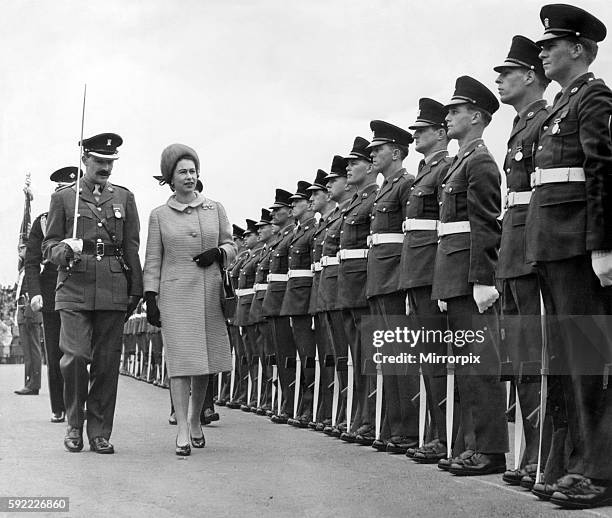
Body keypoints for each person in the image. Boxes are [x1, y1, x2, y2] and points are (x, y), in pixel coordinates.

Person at [525, 4, 612, 509]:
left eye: (549, 44)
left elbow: (602, 172)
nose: (542, 52)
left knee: (590, 362)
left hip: (579, 248)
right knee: (568, 364)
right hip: (552, 248)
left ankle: (596, 470)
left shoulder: (594, 97)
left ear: (576, 49)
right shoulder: (561, 105)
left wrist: (603, 245)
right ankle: (578, 461)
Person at [43, 132, 143, 454]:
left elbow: (131, 247)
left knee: (106, 362)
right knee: (74, 358)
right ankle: (74, 423)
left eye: (110, 162)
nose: (105, 168)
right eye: (99, 161)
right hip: (73, 286)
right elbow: (47, 246)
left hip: (113, 287)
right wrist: (63, 250)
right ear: (84, 160)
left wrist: (136, 289)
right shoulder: (64, 198)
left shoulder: (125, 198)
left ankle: (99, 430)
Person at [431, 76, 508, 475]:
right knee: (466, 366)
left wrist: (483, 279)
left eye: (455, 111)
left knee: (479, 365)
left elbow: (485, 223)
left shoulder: (480, 161)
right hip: (453, 272)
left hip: (469, 274)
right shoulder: (462, 160)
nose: (448, 117)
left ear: (476, 117)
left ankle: (491, 449)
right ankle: (474, 445)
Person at [144, 143, 237, 456]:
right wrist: (151, 297)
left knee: (205, 366)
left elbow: (231, 246)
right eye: (182, 171)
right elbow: (153, 259)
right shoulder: (159, 216)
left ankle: (196, 419)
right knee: (182, 365)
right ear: (171, 178)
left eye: (192, 171)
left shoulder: (216, 208)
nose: (188, 176)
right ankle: (183, 427)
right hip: (175, 298)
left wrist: (220, 252)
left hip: (210, 295)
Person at [493, 35, 551, 488]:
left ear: (530, 76)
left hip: (534, 258)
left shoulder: (544, 122)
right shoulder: (521, 126)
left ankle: (544, 453)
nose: (499, 80)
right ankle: (530, 451)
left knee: (542, 361)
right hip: (514, 259)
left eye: (506, 73)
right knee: (520, 363)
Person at [399, 98, 454, 463]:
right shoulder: (424, 171)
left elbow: (441, 231)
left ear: (440, 133)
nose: (416, 135)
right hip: (417, 276)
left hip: (434, 274)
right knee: (427, 360)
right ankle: (437, 433)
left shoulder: (445, 168)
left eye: (422, 130)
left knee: (441, 360)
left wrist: (438, 279)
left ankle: (445, 435)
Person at [366, 120, 418, 454]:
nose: (372, 155)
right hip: (380, 279)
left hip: (395, 278)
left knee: (403, 358)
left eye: (378, 149)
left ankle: (409, 429)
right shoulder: (387, 187)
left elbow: (408, 238)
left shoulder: (406, 184)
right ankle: (396, 426)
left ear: (396, 152)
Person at [24, 167, 81, 421]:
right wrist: (34, 292)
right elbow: (32, 260)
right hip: (51, 293)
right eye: (60, 190)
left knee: (81, 352)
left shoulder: (86, 217)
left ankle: (81, 403)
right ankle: (60, 407)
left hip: (82, 290)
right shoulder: (43, 221)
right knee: (58, 353)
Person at [337, 136, 378, 445]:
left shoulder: (374, 198)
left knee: (370, 358)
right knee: (356, 357)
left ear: (370, 166)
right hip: (350, 287)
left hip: (366, 284)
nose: (349, 167)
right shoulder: (355, 202)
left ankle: (370, 419)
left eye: (355, 162)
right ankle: (360, 416)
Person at [282, 181, 318, 428]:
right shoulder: (295, 233)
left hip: (307, 298)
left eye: (298, 201)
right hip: (295, 298)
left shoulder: (313, 229)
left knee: (309, 356)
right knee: (299, 356)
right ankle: (303, 403)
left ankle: (311, 403)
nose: (293, 205)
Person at [262, 189, 297, 424]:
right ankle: (286, 401)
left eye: (278, 209)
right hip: (276, 301)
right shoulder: (279, 239)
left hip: (288, 299)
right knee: (280, 356)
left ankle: (293, 402)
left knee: (288, 356)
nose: (274, 213)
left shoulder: (291, 235)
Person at [15, 242, 43, 396]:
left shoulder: (33, 270)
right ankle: (29, 382)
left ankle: (33, 384)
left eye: (23, 248)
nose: (20, 250)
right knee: (28, 350)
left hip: (30, 311)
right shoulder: (22, 270)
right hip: (22, 311)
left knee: (33, 350)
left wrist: (28, 312)